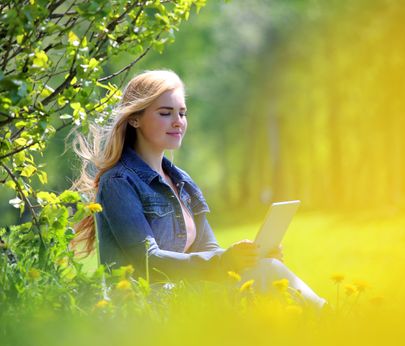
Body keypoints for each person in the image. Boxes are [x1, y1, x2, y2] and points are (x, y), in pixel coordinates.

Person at [72, 69, 326, 310]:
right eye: (165, 113)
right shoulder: (118, 182)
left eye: (182, 113)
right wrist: (221, 261)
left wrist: (248, 256)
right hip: (144, 307)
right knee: (268, 277)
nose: (178, 122)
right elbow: (148, 261)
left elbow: (209, 251)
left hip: (186, 297)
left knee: (266, 268)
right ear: (135, 119)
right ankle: (335, 320)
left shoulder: (181, 181)